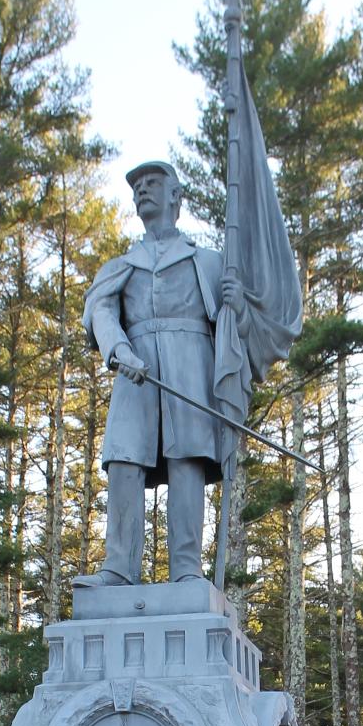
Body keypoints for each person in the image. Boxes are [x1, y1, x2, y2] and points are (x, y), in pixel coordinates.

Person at [76, 160, 248, 587]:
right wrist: (119, 351)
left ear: (176, 197)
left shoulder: (208, 262)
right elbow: (100, 311)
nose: (142, 191)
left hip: (191, 365)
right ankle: (118, 568)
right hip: (135, 369)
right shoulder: (122, 264)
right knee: (123, 460)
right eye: (137, 186)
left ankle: (187, 568)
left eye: (153, 183)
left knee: (186, 457)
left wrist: (237, 304)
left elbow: (237, 332)